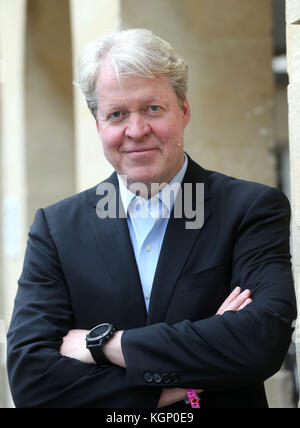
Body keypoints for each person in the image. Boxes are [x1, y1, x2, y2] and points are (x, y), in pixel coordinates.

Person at [7, 28, 297, 408]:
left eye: (153, 109)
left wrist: (105, 344)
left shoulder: (250, 209)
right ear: (98, 125)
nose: (136, 130)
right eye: (117, 114)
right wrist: (185, 385)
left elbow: (260, 342)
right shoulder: (57, 228)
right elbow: (32, 380)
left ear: (184, 111)